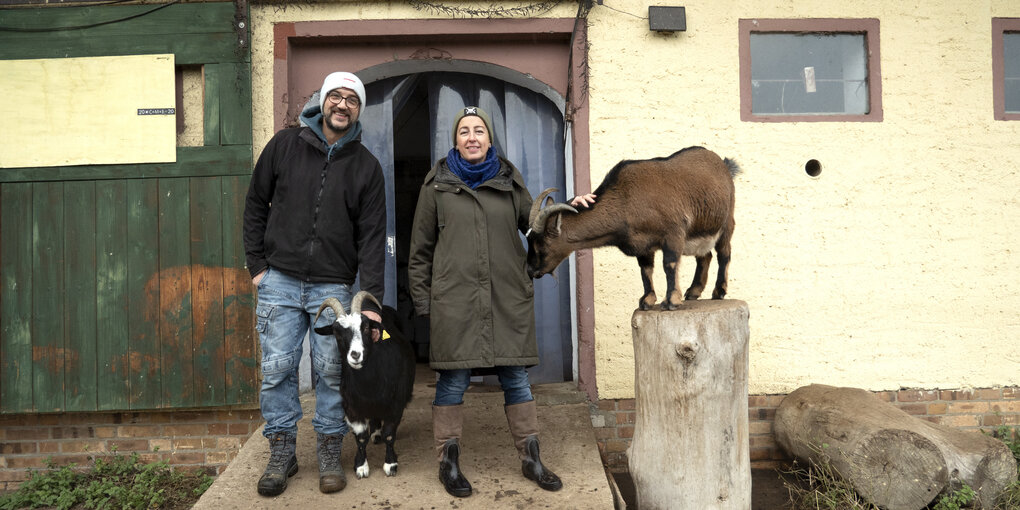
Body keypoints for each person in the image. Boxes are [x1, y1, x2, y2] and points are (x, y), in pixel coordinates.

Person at [408, 106, 564, 498]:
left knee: (515, 377)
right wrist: (426, 304)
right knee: (453, 379)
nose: (472, 137)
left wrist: (575, 209)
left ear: (490, 139)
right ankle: (448, 463)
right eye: (464, 131)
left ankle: (531, 459)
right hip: (455, 301)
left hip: (504, 297)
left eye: (479, 130)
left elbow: (538, 227)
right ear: (455, 140)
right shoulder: (436, 186)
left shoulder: (510, 182)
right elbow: (419, 252)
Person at [243, 71, 386, 497]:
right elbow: (255, 204)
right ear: (322, 102)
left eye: (352, 101)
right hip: (280, 281)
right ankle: (282, 452)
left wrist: (372, 304)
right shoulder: (285, 146)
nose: (342, 106)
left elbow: (373, 236)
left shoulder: (367, 166)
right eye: (336, 97)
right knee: (277, 369)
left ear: (359, 111)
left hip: (334, 290)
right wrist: (257, 266)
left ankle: (328, 452)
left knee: (331, 370)